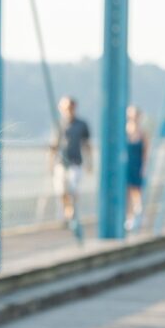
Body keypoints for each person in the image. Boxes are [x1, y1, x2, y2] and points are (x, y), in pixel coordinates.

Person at [48, 95, 92, 241]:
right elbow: (53, 145)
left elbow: (87, 145)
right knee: (61, 191)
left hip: (75, 162)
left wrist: (90, 162)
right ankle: (67, 214)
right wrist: (50, 163)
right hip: (61, 163)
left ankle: (71, 214)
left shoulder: (82, 124)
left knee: (72, 189)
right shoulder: (59, 124)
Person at [124, 105, 148, 232]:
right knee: (127, 191)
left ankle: (139, 214)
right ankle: (129, 217)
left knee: (137, 191)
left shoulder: (143, 133)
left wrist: (144, 167)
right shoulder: (125, 130)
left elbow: (145, 152)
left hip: (137, 164)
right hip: (127, 164)